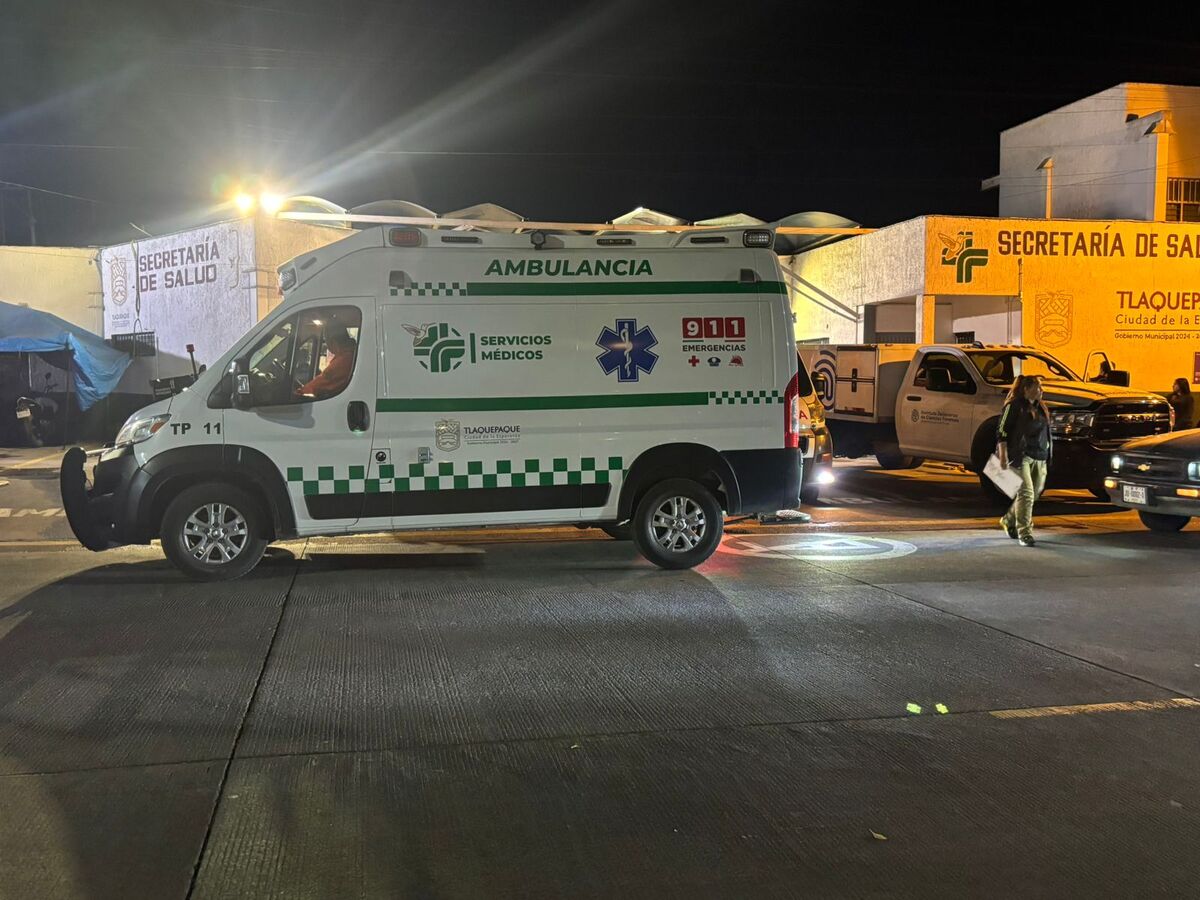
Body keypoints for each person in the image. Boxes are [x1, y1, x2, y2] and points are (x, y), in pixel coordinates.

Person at [997, 374, 1052, 547]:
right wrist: (1003, 455)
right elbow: (1002, 431)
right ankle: (1025, 532)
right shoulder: (1013, 406)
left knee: (1034, 494)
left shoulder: (1041, 407)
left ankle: (1008, 519)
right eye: (1038, 387)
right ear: (1026, 389)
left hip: (1040, 455)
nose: (1041, 390)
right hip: (1021, 455)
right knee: (1026, 493)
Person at [296, 331, 356, 399]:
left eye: (326, 341)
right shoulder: (350, 355)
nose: (327, 346)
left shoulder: (343, 361)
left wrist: (299, 393)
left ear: (333, 342)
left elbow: (319, 385)